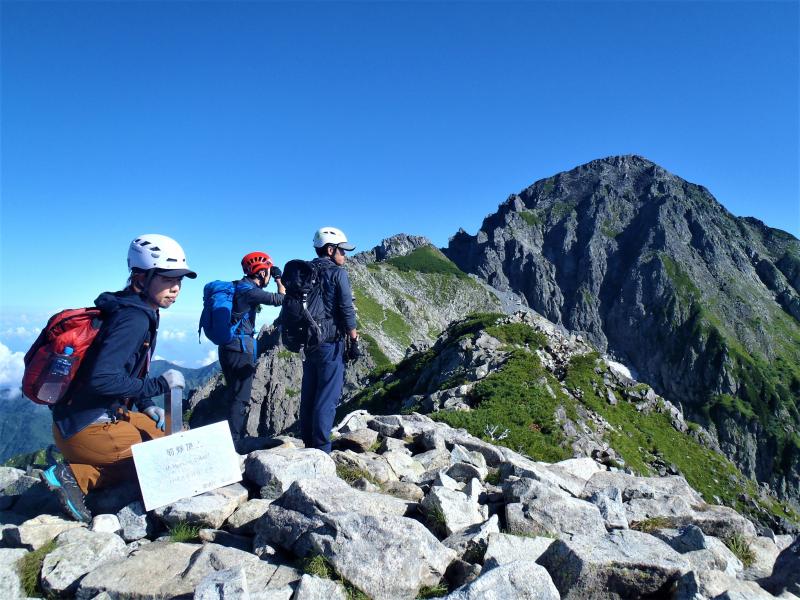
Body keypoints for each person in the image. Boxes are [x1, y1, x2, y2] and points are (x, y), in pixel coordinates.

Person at [40, 234, 195, 522]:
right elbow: (101, 379)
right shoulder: (134, 318)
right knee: (168, 456)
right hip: (87, 427)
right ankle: (75, 476)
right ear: (141, 277)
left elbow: (127, 370)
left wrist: (146, 404)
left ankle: (78, 468)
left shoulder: (131, 307)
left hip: (81, 419)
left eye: (179, 281)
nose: (175, 288)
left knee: (177, 437)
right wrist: (158, 385)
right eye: (167, 279)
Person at [299, 227, 358, 453]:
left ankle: (308, 443)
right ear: (330, 250)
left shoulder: (306, 271)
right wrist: (353, 339)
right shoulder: (337, 273)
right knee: (327, 397)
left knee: (310, 393)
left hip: (309, 341)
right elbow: (346, 309)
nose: (345, 255)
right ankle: (322, 450)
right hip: (331, 342)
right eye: (342, 250)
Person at [218, 252, 285, 440]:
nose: (270, 275)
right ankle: (235, 440)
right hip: (239, 349)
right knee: (241, 397)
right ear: (262, 272)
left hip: (227, 347)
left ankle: (231, 436)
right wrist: (279, 279)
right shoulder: (249, 291)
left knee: (234, 392)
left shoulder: (238, 286)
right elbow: (281, 299)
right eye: (268, 271)